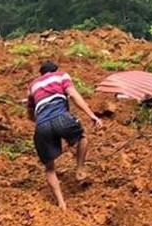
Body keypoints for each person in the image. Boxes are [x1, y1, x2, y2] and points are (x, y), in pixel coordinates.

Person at [26, 60, 102, 210]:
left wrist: (43, 120)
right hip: (62, 118)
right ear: (55, 70)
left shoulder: (32, 86)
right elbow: (73, 95)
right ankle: (80, 170)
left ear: (41, 74)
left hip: (42, 126)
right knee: (82, 137)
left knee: (49, 168)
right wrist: (92, 116)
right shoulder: (61, 76)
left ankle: (61, 203)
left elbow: (30, 115)